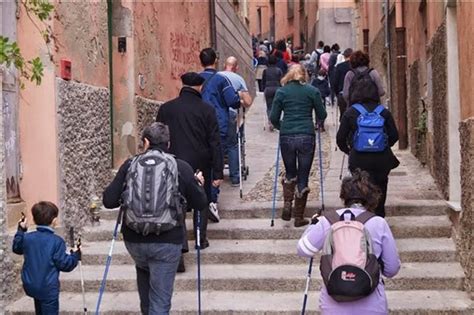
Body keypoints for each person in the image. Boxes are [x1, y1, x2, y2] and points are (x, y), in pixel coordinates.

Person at [103, 122, 208, 314]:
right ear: (168, 144)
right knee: (160, 302)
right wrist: (198, 184)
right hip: (167, 242)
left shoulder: (130, 165)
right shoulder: (180, 166)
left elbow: (109, 200)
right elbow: (201, 203)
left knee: (146, 296)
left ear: (145, 142)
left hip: (135, 241)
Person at [297, 169, 400, 315]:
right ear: (371, 198)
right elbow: (392, 269)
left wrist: (313, 225)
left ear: (343, 197)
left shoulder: (327, 221)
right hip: (372, 305)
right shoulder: (378, 223)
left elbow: (303, 250)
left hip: (333, 305)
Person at [157, 72, 222, 266]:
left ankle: (179, 246)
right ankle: (200, 240)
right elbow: (215, 142)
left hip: (172, 163)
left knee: (176, 205)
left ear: (182, 85)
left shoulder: (166, 109)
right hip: (200, 163)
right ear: (200, 87)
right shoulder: (207, 109)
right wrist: (217, 172)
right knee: (201, 202)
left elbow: (158, 136)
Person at [270, 65, 327, 227]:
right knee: (303, 175)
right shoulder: (312, 91)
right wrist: (315, 120)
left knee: (290, 172)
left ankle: (287, 204)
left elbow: (273, 117)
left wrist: (283, 127)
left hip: (287, 136)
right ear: (304, 76)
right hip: (306, 136)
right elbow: (322, 114)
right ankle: (299, 217)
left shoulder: (282, 92)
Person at [336, 71, 399, 217]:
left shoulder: (351, 112)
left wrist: (350, 150)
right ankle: (379, 217)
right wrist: (382, 145)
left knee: (360, 187)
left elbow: (340, 138)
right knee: (381, 185)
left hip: (358, 158)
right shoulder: (383, 112)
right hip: (381, 158)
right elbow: (395, 135)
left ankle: (362, 217)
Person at [12, 201, 80, 315]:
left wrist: (21, 230)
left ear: (34, 220)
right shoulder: (57, 241)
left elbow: (16, 248)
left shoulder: (27, 238)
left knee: (39, 308)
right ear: (54, 221)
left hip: (31, 285)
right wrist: (75, 255)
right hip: (48, 289)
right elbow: (65, 264)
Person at [199, 48, 241, 221]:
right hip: (218, 124)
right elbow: (233, 101)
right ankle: (212, 200)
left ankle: (199, 196)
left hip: (198, 125)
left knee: (200, 162)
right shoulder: (221, 80)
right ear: (215, 60)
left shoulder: (195, 79)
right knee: (216, 161)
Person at [220, 56, 253, 186]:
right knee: (233, 145)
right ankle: (235, 178)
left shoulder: (217, 77)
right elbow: (248, 101)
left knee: (217, 144)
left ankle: (216, 175)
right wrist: (239, 99)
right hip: (231, 114)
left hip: (215, 114)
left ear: (224, 65)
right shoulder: (238, 79)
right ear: (236, 67)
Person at [262, 54, 283, 131]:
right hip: (277, 88)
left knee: (269, 106)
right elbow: (281, 81)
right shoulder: (279, 70)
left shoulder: (265, 71)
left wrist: (263, 89)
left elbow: (263, 81)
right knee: (277, 106)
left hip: (268, 89)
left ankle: (270, 121)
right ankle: (275, 121)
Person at [333, 48, 353, 119]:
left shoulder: (339, 66)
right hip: (353, 94)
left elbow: (335, 81)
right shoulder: (354, 66)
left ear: (344, 56)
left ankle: (343, 128)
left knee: (343, 115)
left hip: (342, 94)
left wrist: (336, 93)